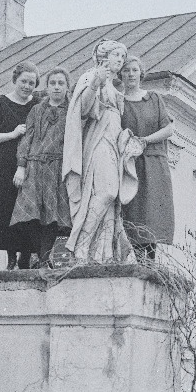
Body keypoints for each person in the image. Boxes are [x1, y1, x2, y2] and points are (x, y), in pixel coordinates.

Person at [62, 39, 139, 264]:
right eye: (117, 55)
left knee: (111, 201)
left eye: (123, 57)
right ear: (104, 55)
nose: (120, 60)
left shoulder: (114, 86)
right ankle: (80, 247)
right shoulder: (91, 76)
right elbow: (83, 110)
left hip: (114, 142)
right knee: (107, 193)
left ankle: (101, 254)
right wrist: (96, 83)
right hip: (98, 140)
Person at [0, 61, 43, 270]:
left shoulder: (37, 104)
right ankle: (11, 258)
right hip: (4, 164)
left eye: (31, 83)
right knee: (7, 209)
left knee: (28, 211)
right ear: (15, 79)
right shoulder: (0, 103)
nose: (27, 86)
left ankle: (26, 257)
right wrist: (12, 134)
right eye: (24, 81)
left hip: (31, 165)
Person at [10, 68, 72, 268]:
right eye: (52, 83)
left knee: (52, 218)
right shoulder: (37, 110)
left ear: (67, 87)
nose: (56, 87)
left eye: (60, 83)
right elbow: (27, 138)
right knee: (27, 214)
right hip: (35, 167)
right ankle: (27, 254)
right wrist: (21, 166)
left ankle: (45, 258)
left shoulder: (72, 111)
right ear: (46, 87)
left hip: (58, 168)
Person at [119, 55, 175, 261]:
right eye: (126, 71)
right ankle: (139, 261)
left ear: (141, 73)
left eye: (134, 70)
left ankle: (149, 263)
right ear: (120, 75)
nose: (130, 74)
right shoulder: (118, 101)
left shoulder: (153, 98)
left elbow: (168, 128)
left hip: (153, 163)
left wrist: (144, 141)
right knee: (133, 213)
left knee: (151, 214)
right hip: (130, 164)